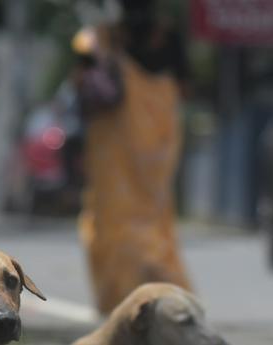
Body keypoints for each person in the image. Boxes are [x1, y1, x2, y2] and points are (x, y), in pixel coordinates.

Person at [74, 0, 192, 314]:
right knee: (153, 213)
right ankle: (160, 288)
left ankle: (123, 295)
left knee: (113, 217)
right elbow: (184, 85)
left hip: (111, 143)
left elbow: (82, 90)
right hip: (159, 139)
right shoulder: (167, 35)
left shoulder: (96, 38)